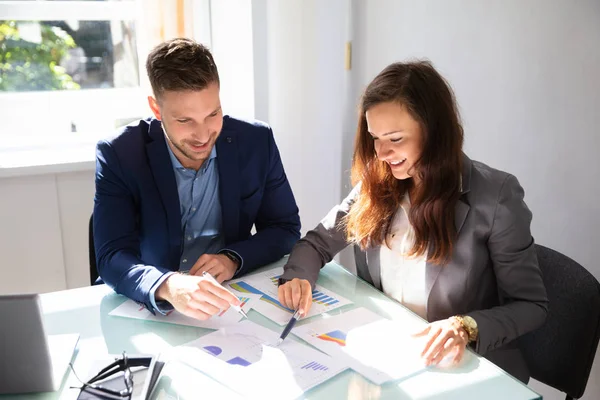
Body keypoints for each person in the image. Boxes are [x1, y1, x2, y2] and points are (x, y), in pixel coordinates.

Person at [277, 61, 547, 383]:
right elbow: (317, 243)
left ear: (434, 132)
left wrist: (465, 326)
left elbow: (531, 305)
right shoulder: (378, 185)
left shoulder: (496, 196)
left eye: (395, 138)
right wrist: (298, 277)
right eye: (374, 137)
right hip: (390, 358)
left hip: (462, 369)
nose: (381, 153)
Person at [94, 38, 300, 321]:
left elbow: (284, 228)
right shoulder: (119, 153)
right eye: (185, 121)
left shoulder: (256, 141)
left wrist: (232, 259)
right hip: (148, 308)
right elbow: (111, 257)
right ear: (156, 109)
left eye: (213, 114)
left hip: (230, 302)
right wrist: (167, 285)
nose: (203, 136)